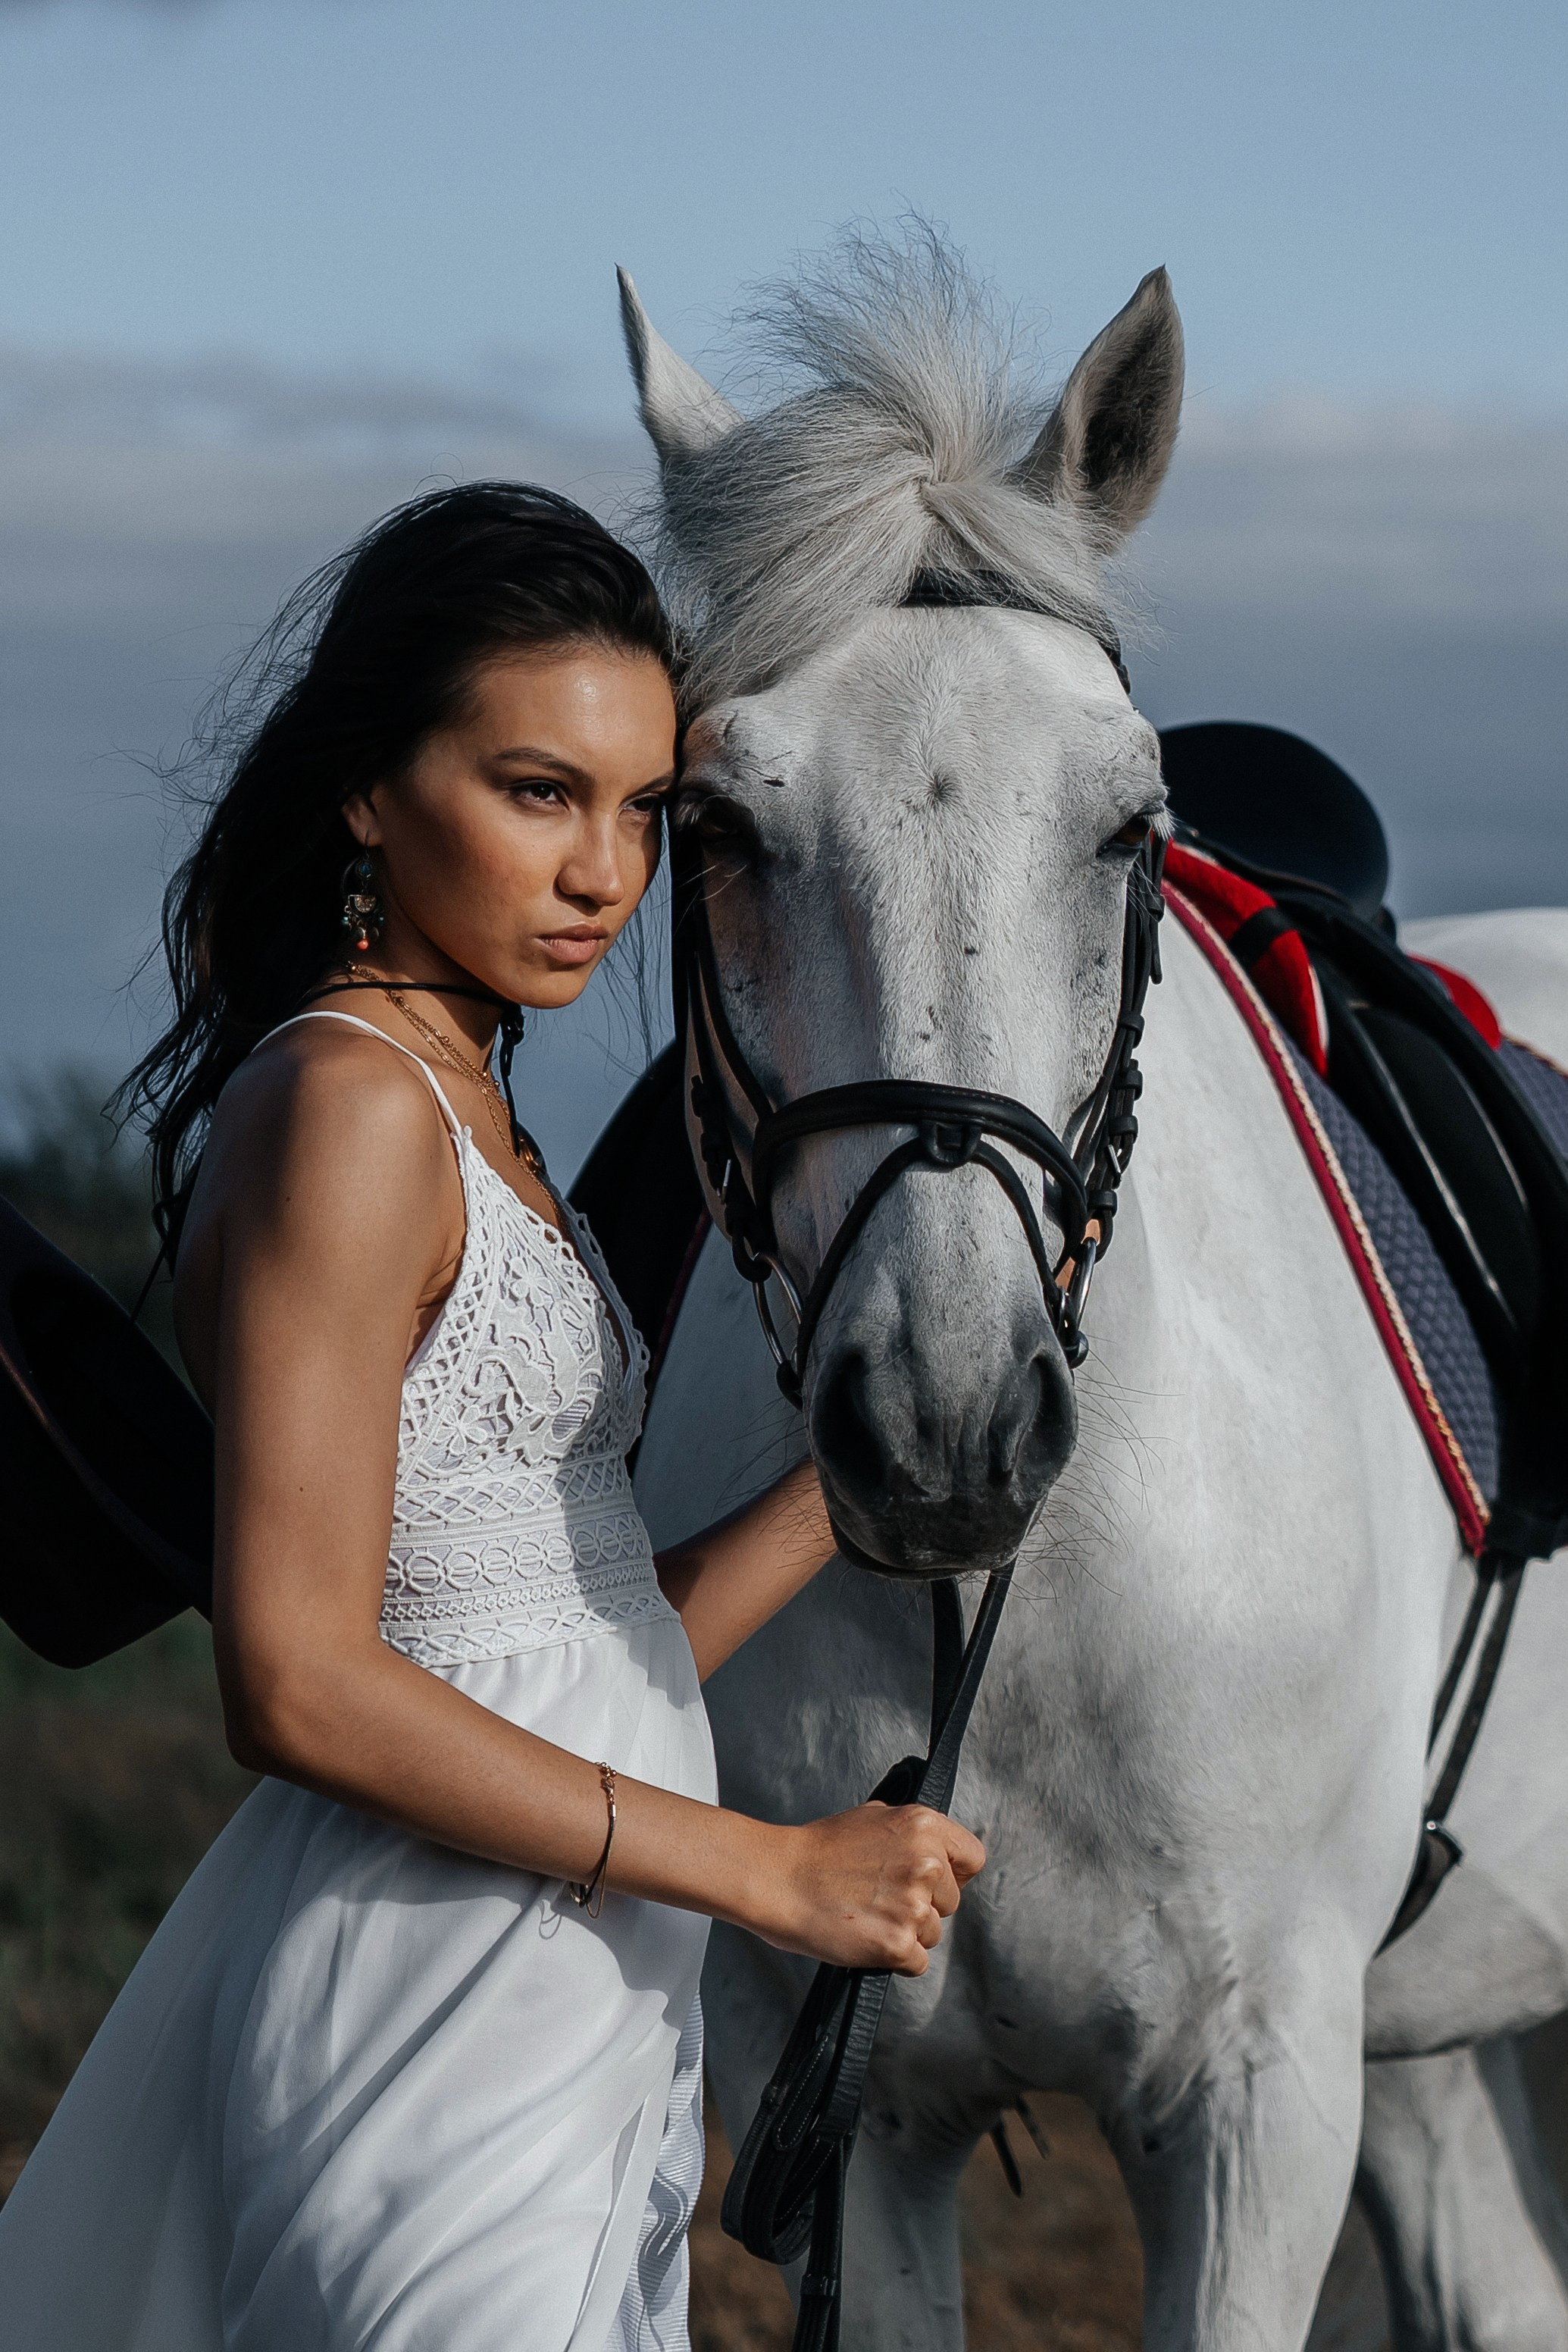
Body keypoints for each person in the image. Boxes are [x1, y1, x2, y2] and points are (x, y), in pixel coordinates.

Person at [0, 484, 985, 2352]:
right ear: (371, 788)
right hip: (428, 1991)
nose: (606, 873)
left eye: (641, 810)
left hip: (575, 1993)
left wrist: (852, 1489)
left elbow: (544, 1633)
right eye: (540, 790)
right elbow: (295, 1677)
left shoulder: (466, 1106)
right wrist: (773, 1869)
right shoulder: (353, 1105)